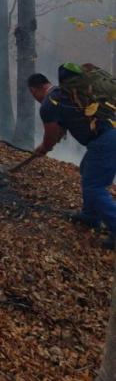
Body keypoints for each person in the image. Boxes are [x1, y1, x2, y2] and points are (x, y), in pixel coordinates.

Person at [28, 67, 116, 250]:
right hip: (108, 135)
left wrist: (44, 148)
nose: (35, 99)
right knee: (86, 169)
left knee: (94, 187)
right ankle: (90, 216)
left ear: (34, 90)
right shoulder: (65, 95)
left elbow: (51, 135)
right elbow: (60, 131)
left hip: (105, 140)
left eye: (33, 95)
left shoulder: (48, 105)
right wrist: (45, 146)